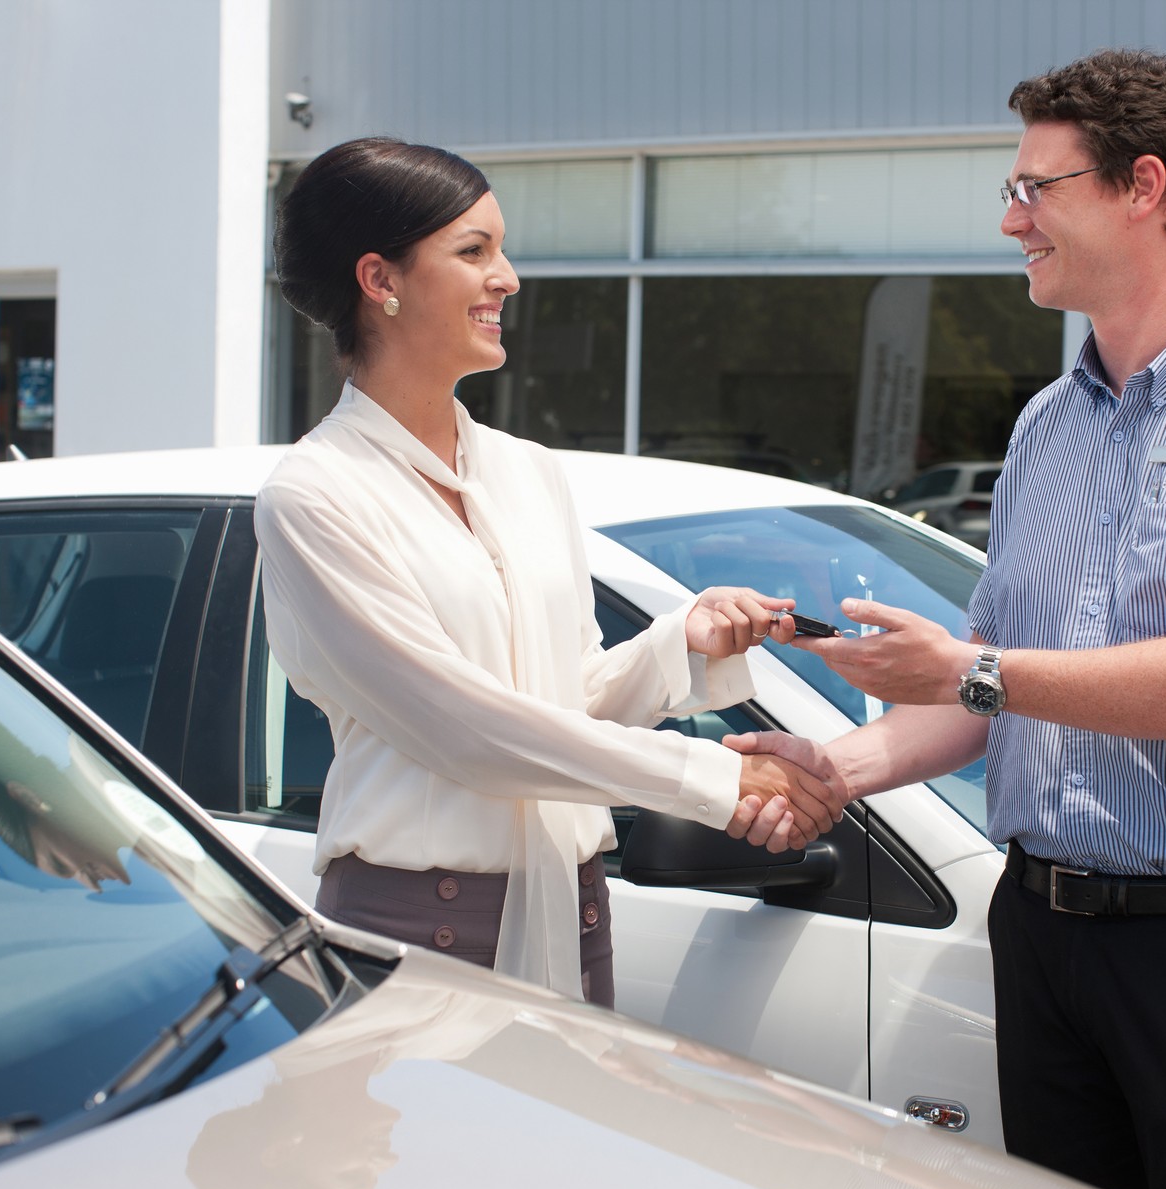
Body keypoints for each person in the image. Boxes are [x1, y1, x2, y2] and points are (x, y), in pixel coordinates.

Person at [727, 49, 1166, 1189]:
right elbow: (980, 706)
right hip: (1039, 934)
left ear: (1145, 187)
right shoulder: (1044, 426)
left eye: (1036, 190)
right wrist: (830, 765)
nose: (1009, 222)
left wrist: (973, 670)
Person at [256, 137, 839, 1008]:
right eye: (474, 251)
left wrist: (678, 642)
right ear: (381, 281)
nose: (509, 277)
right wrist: (718, 780)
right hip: (423, 925)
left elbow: (558, 702)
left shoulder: (528, 471)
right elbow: (464, 729)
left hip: (576, 912)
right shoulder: (315, 495)